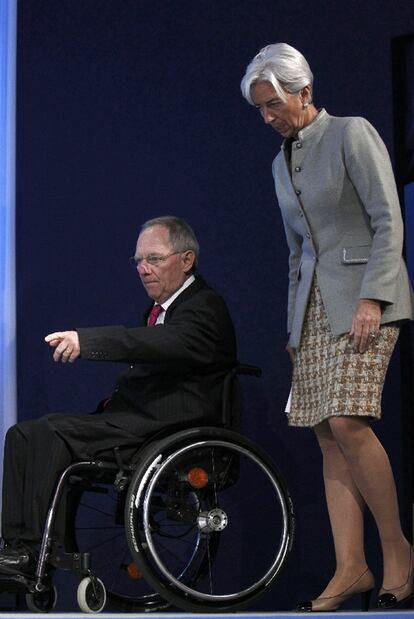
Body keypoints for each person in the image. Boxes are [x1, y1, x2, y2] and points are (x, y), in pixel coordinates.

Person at [241, 43, 414, 611]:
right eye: (260, 109)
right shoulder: (278, 164)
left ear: (304, 92)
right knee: (324, 433)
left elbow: (388, 218)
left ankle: (398, 554)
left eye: (272, 105)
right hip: (314, 311)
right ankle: (351, 566)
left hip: (366, 298)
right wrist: (295, 329)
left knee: (348, 420)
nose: (267, 117)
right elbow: (297, 255)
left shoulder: (351, 134)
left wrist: (374, 296)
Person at [0, 215, 237, 575]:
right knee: (22, 434)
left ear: (186, 260)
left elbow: (155, 343)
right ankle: (16, 548)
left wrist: (88, 341)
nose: (143, 269)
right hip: (137, 421)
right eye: (138, 261)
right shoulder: (159, 311)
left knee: (50, 432)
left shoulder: (204, 306)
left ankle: (37, 553)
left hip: (167, 427)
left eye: (154, 259)